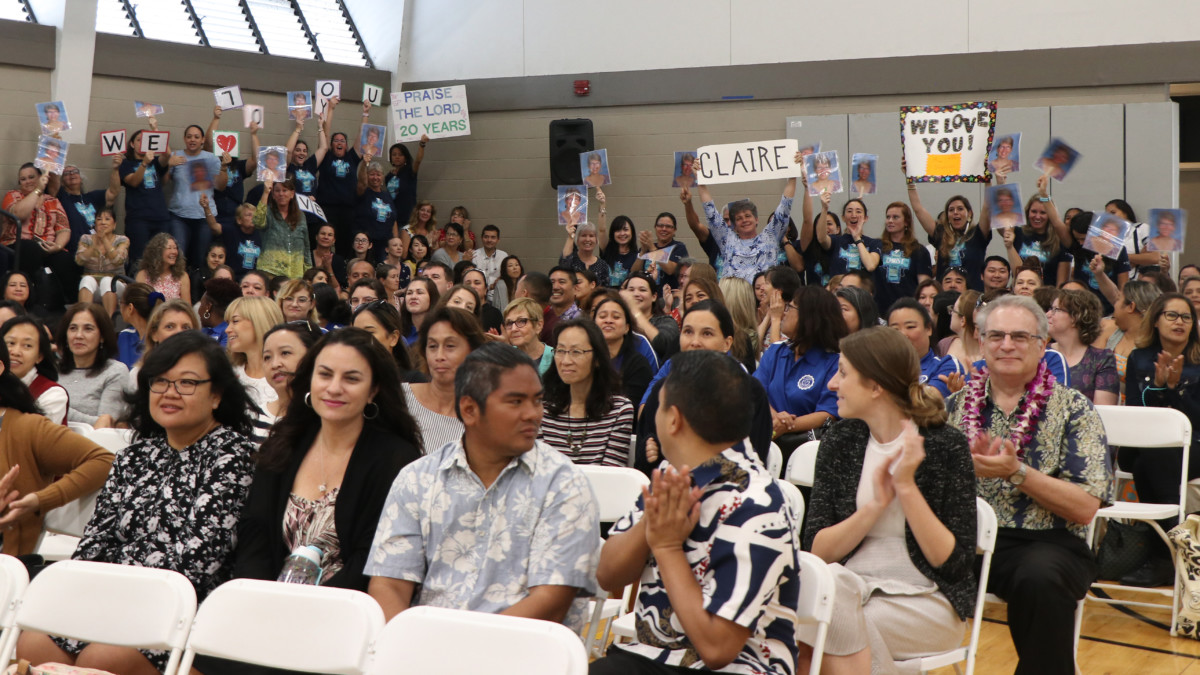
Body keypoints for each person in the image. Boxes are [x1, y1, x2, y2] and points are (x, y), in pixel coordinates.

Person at [18, 332, 256, 675]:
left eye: (187, 383)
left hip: (182, 606)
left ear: (216, 394)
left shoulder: (231, 455)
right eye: (160, 381)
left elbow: (201, 561)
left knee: (104, 659)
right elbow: (95, 543)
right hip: (112, 598)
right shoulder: (135, 455)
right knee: (33, 643)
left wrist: (126, 600)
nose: (170, 392)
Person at [591, 350, 800, 675]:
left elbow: (717, 648)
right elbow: (607, 575)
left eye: (658, 406)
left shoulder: (757, 504)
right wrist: (652, 523)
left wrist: (666, 547)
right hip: (649, 658)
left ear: (673, 419)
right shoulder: (672, 475)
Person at [367, 343, 601, 628]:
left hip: (523, 646)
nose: (533, 414)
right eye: (516, 402)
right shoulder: (418, 479)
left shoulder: (563, 484)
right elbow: (389, 585)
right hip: (427, 643)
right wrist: (410, 644)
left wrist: (464, 645)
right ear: (469, 410)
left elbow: (551, 602)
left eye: (538, 400)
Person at [945, 294, 1110, 674]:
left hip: (1046, 543)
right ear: (981, 342)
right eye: (996, 335)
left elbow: (1085, 507)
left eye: (1019, 336)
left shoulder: (1074, 409)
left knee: (1040, 578)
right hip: (964, 541)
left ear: (1041, 344)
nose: (1006, 345)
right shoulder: (954, 407)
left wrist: (1016, 472)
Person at [803, 327, 975, 672]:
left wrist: (906, 487)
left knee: (821, 626)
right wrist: (875, 506)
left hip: (929, 601)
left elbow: (954, 564)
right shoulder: (841, 440)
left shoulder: (944, 445)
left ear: (875, 386)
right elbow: (817, 551)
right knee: (824, 612)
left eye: (842, 373)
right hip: (848, 589)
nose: (832, 384)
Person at [233, 327, 422, 597]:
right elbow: (255, 534)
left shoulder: (396, 459)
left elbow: (371, 558)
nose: (334, 388)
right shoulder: (285, 442)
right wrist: (264, 598)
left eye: (351, 378)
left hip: (347, 606)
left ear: (373, 391)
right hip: (267, 601)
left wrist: (310, 606)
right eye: (324, 375)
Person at [1122, 292, 1200, 587]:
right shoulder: (1139, 357)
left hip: (1194, 445)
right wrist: (1157, 386)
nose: (1180, 322)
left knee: (1147, 463)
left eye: (1186, 317)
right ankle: (1177, 549)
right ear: (1156, 320)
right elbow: (1135, 410)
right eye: (1172, 315)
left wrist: (1176, 389)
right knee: (1151, 454)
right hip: (1145, 443)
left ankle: (1163, 557)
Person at [754, 286, 846, 459]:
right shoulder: (776, 351)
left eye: (790, 307)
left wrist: (788, 425)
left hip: (806, 452)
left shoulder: (834, 363)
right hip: (766, 442)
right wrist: (776, 418)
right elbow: (755, 392)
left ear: (809, 317)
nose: (784, 313)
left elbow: (828, 413)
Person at [540, 319, 634, 466]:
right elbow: (539, 472)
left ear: (597, 359)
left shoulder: (619, 410)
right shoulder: (542, 409)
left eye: (576, 352)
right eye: (560, 351)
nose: (565, 361)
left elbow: (612, 473)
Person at [694, 156, 798, 282]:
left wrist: (793, 175)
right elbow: (710, 211)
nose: (744, 220)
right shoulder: (727, 240)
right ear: (734, 225)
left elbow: (785, 206)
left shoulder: (769, 237)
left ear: (756, 219)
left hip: (764, 292)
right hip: (734, 294)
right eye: (739, 218)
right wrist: (700, 179)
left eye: (748, 216)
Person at [404, 307, 485, 450]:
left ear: (472, 351)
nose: (439, 356)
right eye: (432, 346)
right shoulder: (401, 399)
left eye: (450, 346)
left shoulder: (485, 415)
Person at [2, 164, 73, 308]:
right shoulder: (13, 196)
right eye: (23, 179)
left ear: (41, 177)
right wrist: (38, 190)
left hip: (47, 247)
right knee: (31, 249)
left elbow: (64, 229)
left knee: (64, 258)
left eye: (31, 177)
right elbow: (19, 214)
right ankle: (33, 300)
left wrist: (57, 246)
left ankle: (67, 304)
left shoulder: (52, 201)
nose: (27, 181)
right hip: (18, 245)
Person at [55, 303, 128, 428]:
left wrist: (59, 408)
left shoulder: (115, 371)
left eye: (88, 329)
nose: (78, 335)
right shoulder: (52, 370)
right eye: (73, 328)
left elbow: (105, 424)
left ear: (102, 336)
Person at [908, 188, 991, 289]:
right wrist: (910, 184)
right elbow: (918, 209)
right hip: (945, 295)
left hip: (971, 295)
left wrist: (988, 182)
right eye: (951, 210)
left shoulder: (977, 234)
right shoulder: (941, 234)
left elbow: (987, 207)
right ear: (947, 216)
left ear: (969, 213)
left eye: (960, 209)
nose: (955, 212)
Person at [1047, 290, 1118, 405]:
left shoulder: (1101, 359)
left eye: (1056, 309)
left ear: (1076, 317)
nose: (1048, 314)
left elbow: (1103, 410)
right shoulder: (1041, 353)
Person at [167, 124, 225, 262]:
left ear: (203, 140)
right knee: (178, 257)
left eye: (196, 137)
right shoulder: (175, 156)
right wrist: (168, 165)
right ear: (184, 139)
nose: (192, 139)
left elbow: (221, 186)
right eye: (189, 137)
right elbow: (163, 182)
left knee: (201, 258)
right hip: (179, 216)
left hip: (204, 217)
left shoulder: (211, 158)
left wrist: (224, 168)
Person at [887, 298, 965, 399]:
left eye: (910, 327)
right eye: (895, 329)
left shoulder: (945, 365)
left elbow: (927, 401)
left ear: (928, 329)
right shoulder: (880, 368)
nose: (902, 334)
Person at [315, 97, 363, 254]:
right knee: (324, 242)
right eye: (336, 140)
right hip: (327, 207)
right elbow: (326, 133)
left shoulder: (352, 158)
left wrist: (365, 113)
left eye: (342, 141)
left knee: (345, 246)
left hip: (348, 210)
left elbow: (361, 136)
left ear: (346, 145)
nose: (339, 142)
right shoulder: (326, 157)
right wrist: (331, 109)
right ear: (331, 144)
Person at [591, 293, 654, 410]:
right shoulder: (586, 358)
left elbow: (632, 408)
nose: (608, 321)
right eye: (602, 316)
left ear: (627, 328)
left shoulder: (638, 364)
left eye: (616, 317)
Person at [1, 316, 67, 425]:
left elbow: (34, 433)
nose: (16, 352)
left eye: (27, 345)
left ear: (40, 356)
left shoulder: (53, 394)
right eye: (11, 343)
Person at [226, 296, 285, 410]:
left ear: (259, 322)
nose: (227, 329)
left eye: (235, 321)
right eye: (228, 323)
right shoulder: (229, 374)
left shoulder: (286, 375)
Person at [875, 202, 933, 312]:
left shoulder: (919, 250)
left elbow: (924, 287)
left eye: (895, 217)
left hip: (909, 309)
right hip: (880, 310)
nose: (890, 221)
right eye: (888, 217)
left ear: (906, 222)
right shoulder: (877, 247)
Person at [254, 175, 311, 279]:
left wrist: (308, 273)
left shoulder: (301, 216)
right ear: (273, 195)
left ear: (292, 194)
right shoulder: (268, 212)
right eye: (277, 191)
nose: (281, 194)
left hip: (295, 275)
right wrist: (266, 192)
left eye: (285, 190)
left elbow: (306, 246)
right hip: (270, 272)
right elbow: (257, 222)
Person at [75, 207, 129, 315]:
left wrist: (104, 239)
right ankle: (84, 317)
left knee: (107, 281)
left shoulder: (122, 240)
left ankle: (108, 320)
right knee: (86, 280)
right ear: (95, 224)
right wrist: (94, 244)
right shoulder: (86, 239)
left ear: (114, 225)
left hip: (116, 286)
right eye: (99, 219)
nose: (103, 222)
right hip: (94, 287)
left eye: (107, 219)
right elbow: (79, 260)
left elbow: (118, 260)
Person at [351, 300, 420, 379]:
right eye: (356, 333)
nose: (360, 338)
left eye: (369, 332)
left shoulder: (414, 380)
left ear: (393, 338)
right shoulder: (347, 380)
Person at [620, 272, 677, 367]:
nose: (636, 294)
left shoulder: (666, 321)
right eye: (631, 290)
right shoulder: (620, 323)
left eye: (642, 290)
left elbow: (664, 345)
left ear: (654, 297)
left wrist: (634, 310)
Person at [632, 212, 688, 290]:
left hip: (668, 294)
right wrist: (643, 252)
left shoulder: (678, 247)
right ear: (655, 227)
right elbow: (634, 273)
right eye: (660, 226)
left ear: (674, 230)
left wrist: (652, 248)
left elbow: (670, 270)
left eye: (668, 226)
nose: (664, 229)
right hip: (648, 293)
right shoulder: (647, 247)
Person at [354, 160, 397, 261]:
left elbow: (393, 219)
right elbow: (361, 182)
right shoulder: (364, 192)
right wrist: (364, 163)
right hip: (368, 243)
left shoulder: (387, 195)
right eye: (372, 174)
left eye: (378, 174)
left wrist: (395, 240)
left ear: (382, 177)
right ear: (367, 176)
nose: (375, 177)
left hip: (385, 242)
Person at [136, 232, 190, 303]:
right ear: (158, 251)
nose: (174, 252)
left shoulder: (182, 276)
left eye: (175, 248)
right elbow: (139, 304)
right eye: (169, 248)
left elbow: (186, 306)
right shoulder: (143, 275)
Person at [504, 298, 552, 375]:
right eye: (509, 323)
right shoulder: (504, 359)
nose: (513, 329)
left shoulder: (556, 358)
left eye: (521, 321)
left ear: (539, 325)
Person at [116, 283, 160, 368]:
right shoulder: (124, 335)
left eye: (120, 303)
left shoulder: (159, 338)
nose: (119, 307)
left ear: (130, 308)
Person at [385, 137, 426, 224]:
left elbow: (418, 161)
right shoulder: (389, 176)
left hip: (408, 218)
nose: (397, 157)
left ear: (405, 157)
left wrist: (422, 144)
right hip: (392, 218)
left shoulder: (410, 171)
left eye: (400, 155)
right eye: (394, 154)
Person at [561, 222, 612, 287]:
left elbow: (606, 289)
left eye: (591, 236)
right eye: (583, 235)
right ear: (577, 239)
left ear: (596, 240)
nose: (587, 239)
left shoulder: (602, 265)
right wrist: (570, 236)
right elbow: (563, 264)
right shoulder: (571, 261)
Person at [196, 277, 240, 347]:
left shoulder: (229, 335)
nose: (198, 311)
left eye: (201, 304)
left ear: (208, 307)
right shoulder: (204, 331)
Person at [541, 267, 581, 342]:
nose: (555, 287)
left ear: (575, 289)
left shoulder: (582, 320)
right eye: (552, 282)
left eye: (561, 282)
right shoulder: (541, 316)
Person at [400, 277, 439, 347]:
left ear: (432, 297)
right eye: (409, 293)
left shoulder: (439, 331)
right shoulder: (399, 331)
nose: (413, 297)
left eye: (420, 293)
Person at [602, 216, 638, 288]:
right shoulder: (607, 251)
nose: (622, 233)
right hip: (608, 294)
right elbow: (602, 230)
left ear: (632, 232)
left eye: (625, 229)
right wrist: (602, 210)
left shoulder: (637, 256)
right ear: (613, 233)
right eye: (618, 230)